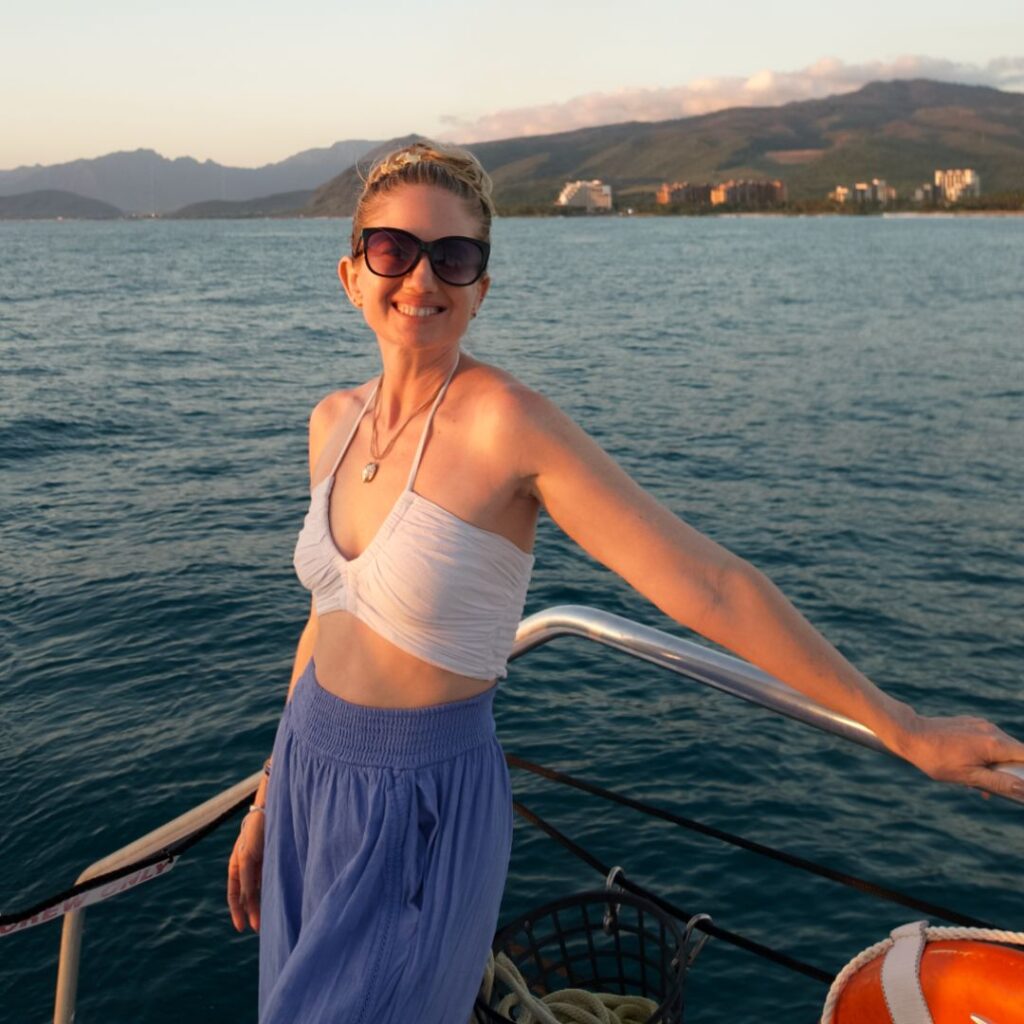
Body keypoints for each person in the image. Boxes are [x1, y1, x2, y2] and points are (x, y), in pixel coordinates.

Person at [227, 140, 1024, 1024]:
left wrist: (902, 727)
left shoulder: (507, 426)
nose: (421, 277)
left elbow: (709, 584)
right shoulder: (333, 422)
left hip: (422, 805)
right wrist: (270, 790)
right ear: (352, 274)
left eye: (452, 256)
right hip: (308, 771)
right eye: (393, 250)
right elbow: (325, 618)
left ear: (481, 287)